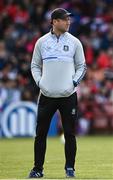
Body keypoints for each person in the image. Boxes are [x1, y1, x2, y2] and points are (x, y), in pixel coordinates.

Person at [28, 8, 87, 178]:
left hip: (68, 96)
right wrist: (40, 82)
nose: (68, 22)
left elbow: (82, 66)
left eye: (68, 19)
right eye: (64, 19)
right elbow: (34, 65)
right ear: (54, 21)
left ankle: (70, 169)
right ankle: (37, 169)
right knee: (41, 134)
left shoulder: (75, 42)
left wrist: (74, 83)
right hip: (46, 95)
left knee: (69, 133)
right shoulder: (42, 42)